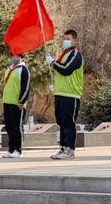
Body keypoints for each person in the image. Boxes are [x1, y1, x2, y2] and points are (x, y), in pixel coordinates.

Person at [46, 29, 83, 160]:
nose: (65, 41)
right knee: (61, 122)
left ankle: (70, 149)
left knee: (69, 122)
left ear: (74, 40)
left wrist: (53, 62)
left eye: (68, 39)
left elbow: (66, 69)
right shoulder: (64, 54)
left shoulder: (75, 54)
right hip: (60, 93)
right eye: (64, 39)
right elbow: (60, 69)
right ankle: (62, 148)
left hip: (71, 94)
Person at [2, 54, 30, 158]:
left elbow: (26, 87)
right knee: (9, 127)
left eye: (16, 56)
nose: (14, 58)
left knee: (16, 127)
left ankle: (18, 150)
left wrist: (22, 101)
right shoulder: (10, 69)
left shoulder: (23, 69)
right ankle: (11, 149)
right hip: (7, 101)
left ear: (21, 57)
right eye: (13, 55)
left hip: (17, 103)